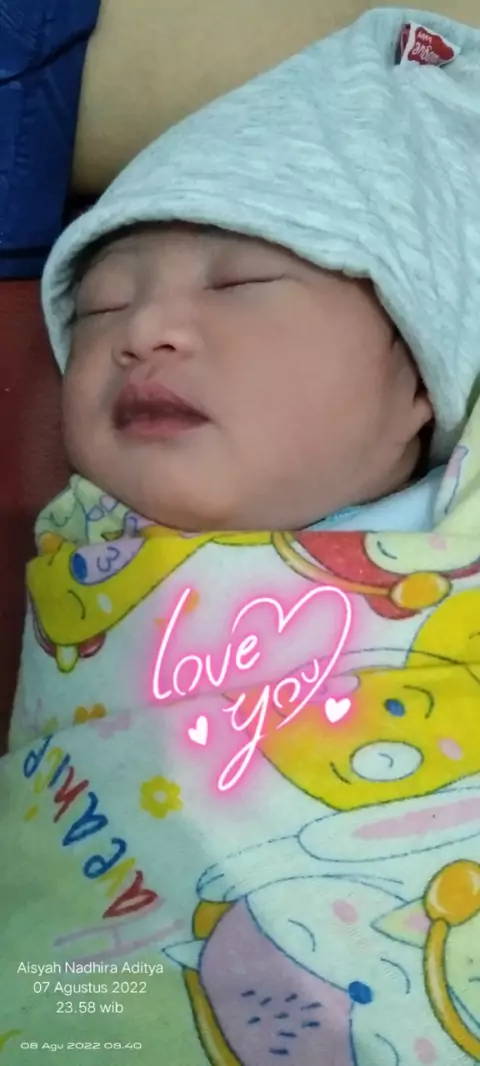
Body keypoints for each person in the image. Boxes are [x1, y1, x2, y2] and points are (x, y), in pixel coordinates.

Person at [4, 9, 480, 1065]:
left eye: (240, 283)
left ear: (417, 378)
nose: (143, 332)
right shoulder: (79, 557)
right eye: (99, 308)